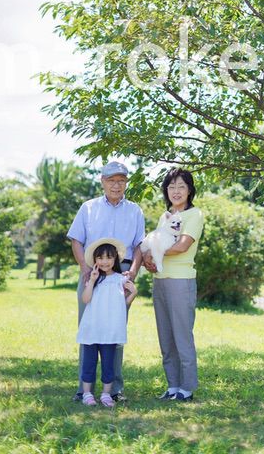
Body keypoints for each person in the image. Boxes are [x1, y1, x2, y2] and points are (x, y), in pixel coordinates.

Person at [67, 161, 145, 402]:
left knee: (116, 330)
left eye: (121, 180)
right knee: (88, 329)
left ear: (126, 184)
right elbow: (76, 240)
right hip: (92, 270)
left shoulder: (135, 210)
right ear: (102, 181)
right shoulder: (88, 208)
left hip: (121, 273)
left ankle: (114, 390)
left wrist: (132, 271)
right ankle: (84, 390)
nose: (116, 184)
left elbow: (140, 245)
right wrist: (84, 268)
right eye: (111, 180)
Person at [143, 167, 204, 402]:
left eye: (181, 186)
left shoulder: (194, 215)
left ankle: (187, 388)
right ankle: (172, 386)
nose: (176, 191)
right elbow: (155, 244)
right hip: (160, 280)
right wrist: (149, 258)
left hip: (181, 281)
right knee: (166, 338)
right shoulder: (165, 215)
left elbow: (181, 246)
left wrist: (155, 254)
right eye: (171, 186)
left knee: (182, 336)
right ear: (165, 191)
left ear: (189, 190)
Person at [77, 237, 138, 406]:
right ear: (95, 260)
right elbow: (86, 299)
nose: (105, 261)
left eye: (109, 257)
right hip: (92, 328)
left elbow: (123, 304)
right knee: (89, 363)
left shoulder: (121, 279)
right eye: (101, 258)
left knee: (108, 364)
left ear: (115, 259)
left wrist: (133, 293)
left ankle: (106, 394)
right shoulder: (93, 278)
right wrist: (92, 280)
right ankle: (87, 393)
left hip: (110, 329)